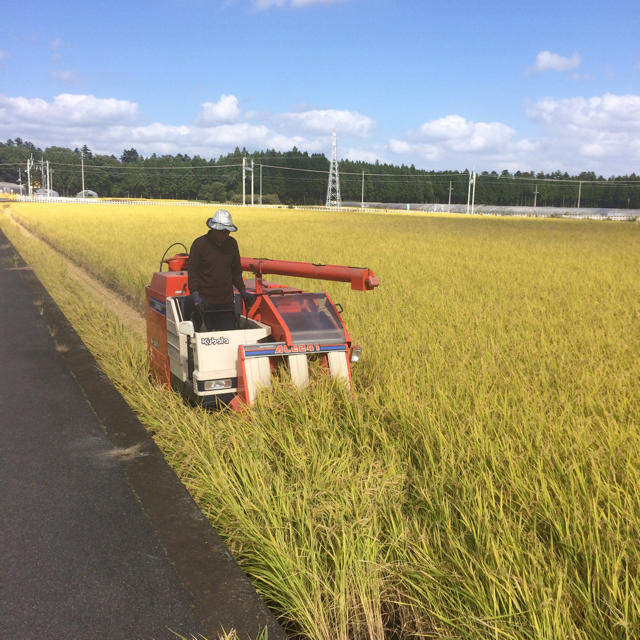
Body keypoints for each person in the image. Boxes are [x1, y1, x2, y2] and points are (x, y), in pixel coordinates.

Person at [187, 209, 255, 331]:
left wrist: (242, 290)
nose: (226, 235)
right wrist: (195, 293)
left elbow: (236, 271)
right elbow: (193, 272)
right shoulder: (199, 244)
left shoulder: (232, 244)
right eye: (223, 232)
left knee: (227, 339)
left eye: (228, 232)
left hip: (226, 303)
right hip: (204, 303)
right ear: (214, 229)